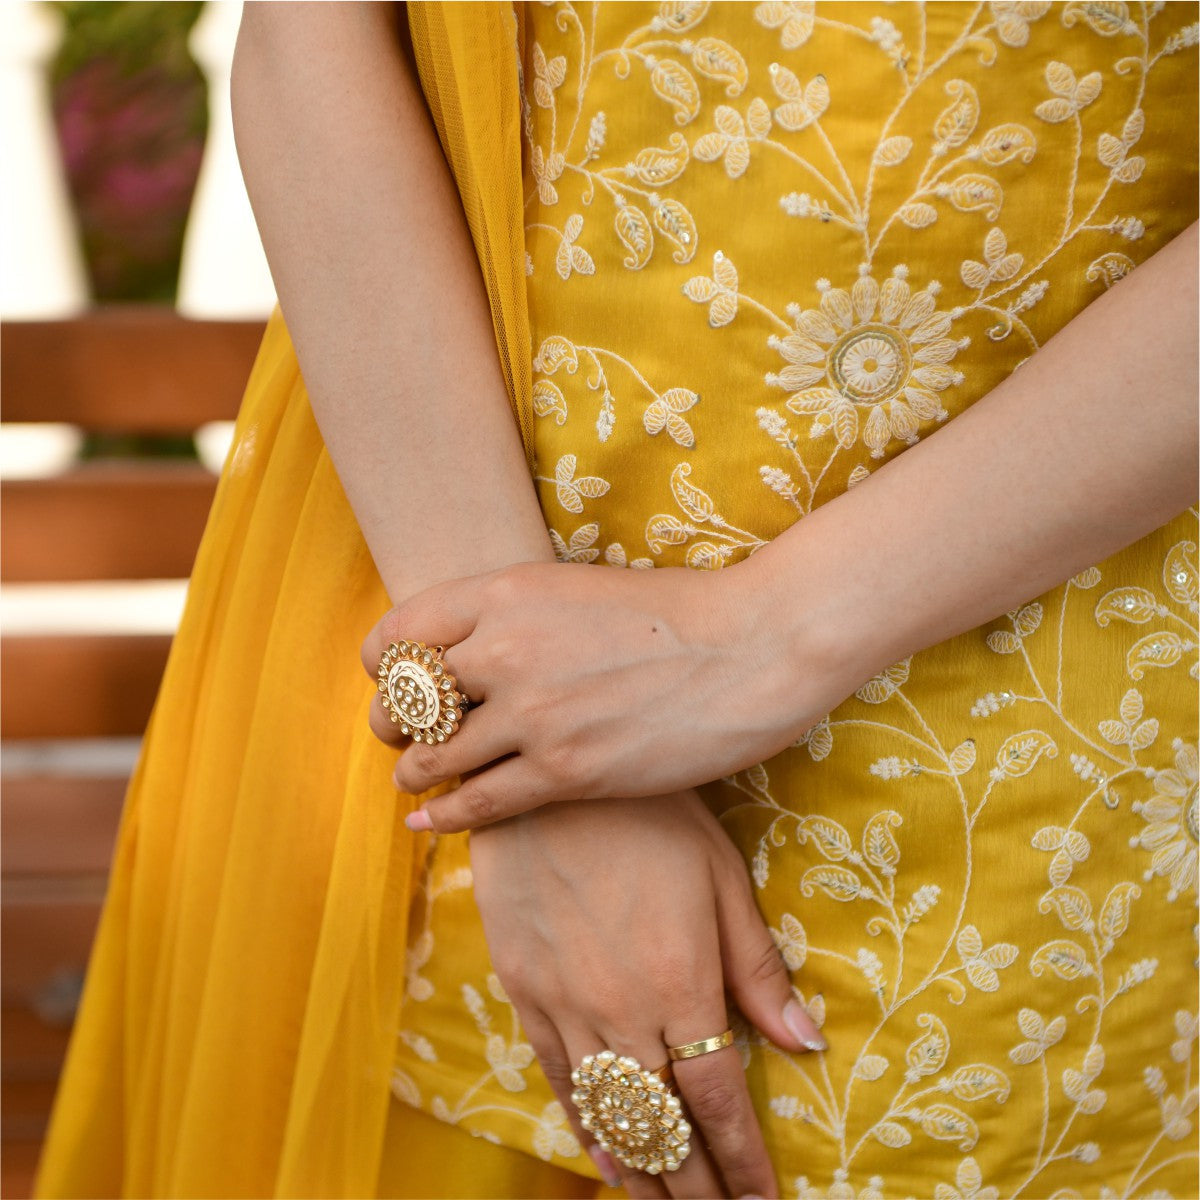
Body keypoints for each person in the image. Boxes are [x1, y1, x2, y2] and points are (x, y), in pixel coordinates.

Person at [37, 3, 1197, 1198]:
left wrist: (762, 638)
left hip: (1079, 767)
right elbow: (313, 31)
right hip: (442, 587)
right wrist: (527, 767)